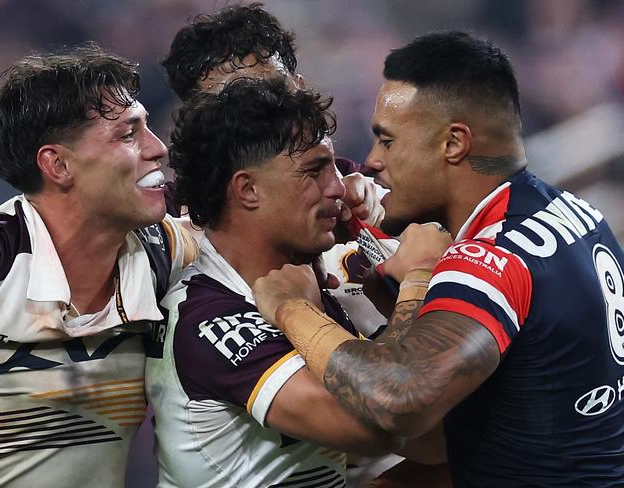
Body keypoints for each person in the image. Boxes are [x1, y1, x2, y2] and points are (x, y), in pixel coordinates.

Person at [252, 31, 624, 486]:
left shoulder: (488, 257)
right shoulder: (576, 213)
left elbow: (399, 400)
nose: (370, 161)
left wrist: (293, 307)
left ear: (453, 144)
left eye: (387, 141)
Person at [145, 78, 408, 488]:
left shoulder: (319, 278)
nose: (338, 187)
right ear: (248, 189)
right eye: (315, 171)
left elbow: (432, 441)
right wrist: (417, 288)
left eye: (335, 168)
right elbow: (384, 427)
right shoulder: (209, 318)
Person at [0, 44, 190, 487]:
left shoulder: (163, 250)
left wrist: (355, 189)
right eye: (128, 135)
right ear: (57, 164)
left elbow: (265, 205)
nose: (159, 149)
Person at [162, 3, 389, 343]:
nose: (255, 114)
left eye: (271, 93)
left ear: (299, 88)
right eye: (226, 106)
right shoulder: (159, 230)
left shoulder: (368, 196)